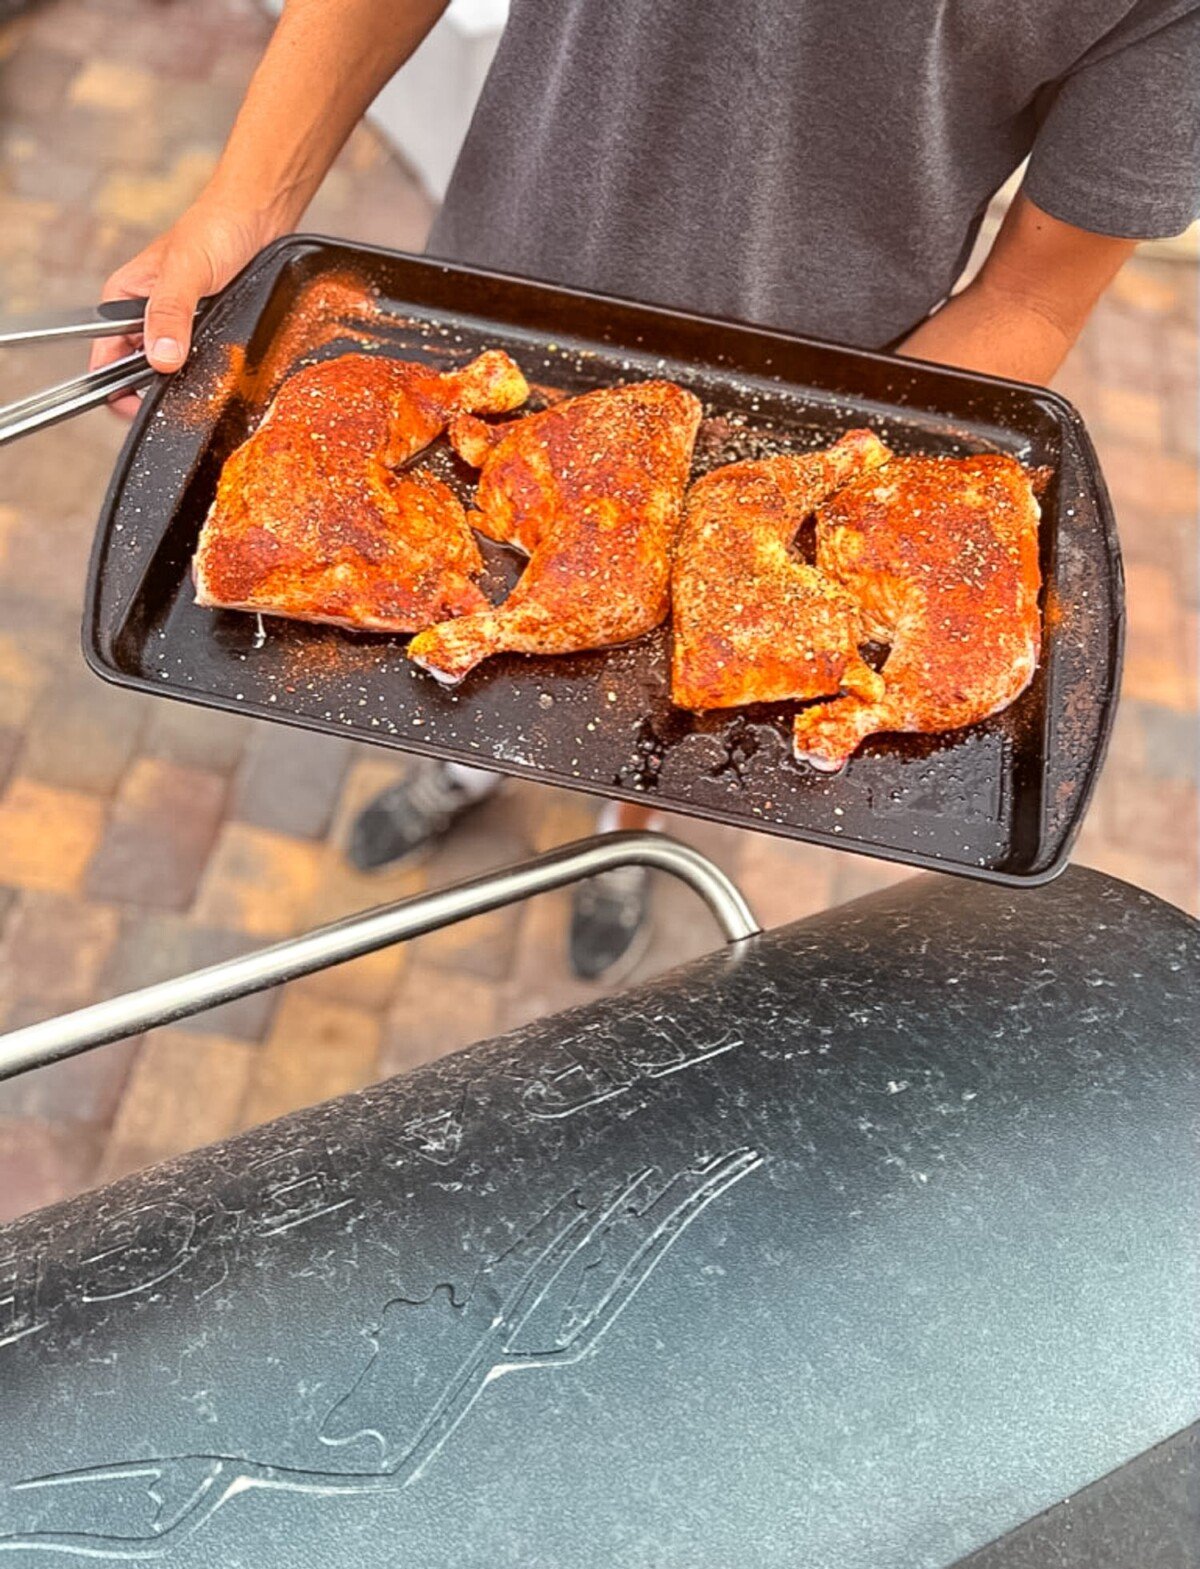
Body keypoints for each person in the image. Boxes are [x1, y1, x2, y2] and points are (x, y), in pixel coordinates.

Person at [93, 0, 1200, 978]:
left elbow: (1038, 298)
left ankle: (620, 841)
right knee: (454, 644)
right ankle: (457, 777)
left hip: (799, 403)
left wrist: (817, 483)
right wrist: (246, 199)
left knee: (672, 707)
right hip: (495, 306)